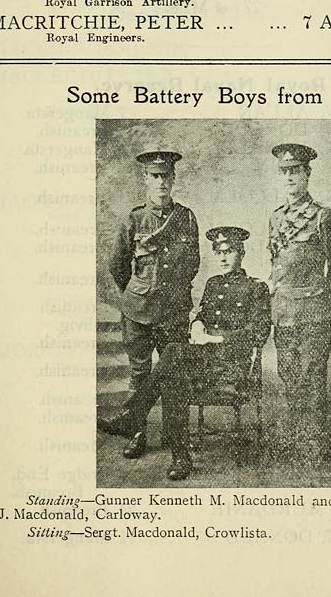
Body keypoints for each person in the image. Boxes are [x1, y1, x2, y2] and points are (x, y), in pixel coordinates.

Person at [99, 225, 271, 480]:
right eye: (218, 252)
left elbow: (258, 333)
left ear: (241, 253)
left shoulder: (256, 288)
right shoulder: (213, 284)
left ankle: (133, 416)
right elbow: (201, 315)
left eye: (229, 251)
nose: (223, 257)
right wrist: (197, 325)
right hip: (206, 360)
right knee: (173, 373)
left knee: (172, 354)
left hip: (233, 365)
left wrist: (217, 338)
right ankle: (181, 459)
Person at [97, 148, 200, 455]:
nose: (161, 182)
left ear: (174, 178)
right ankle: (137, 434)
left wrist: (171, 293)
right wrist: (137, 291)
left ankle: (173, 436)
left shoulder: (186, 217)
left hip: (173, 312)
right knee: (140, 374)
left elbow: (193, 262)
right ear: (145, 179)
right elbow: (118, 264)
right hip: (138, 312)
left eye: (166, 176)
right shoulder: (135, 218)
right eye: (155, 176)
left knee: (173, 376)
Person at [268, 143, 331, 464]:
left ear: (307, 174)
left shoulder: (323, 218)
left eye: (295, 171)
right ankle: (297, 439)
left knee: (314, 378)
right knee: (289, 377)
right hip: (283, 314)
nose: (289, 176)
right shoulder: (275, 219)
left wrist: (322, 301)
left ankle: (315, 445)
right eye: (284, 171)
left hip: (313, 314)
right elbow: (276, 266)